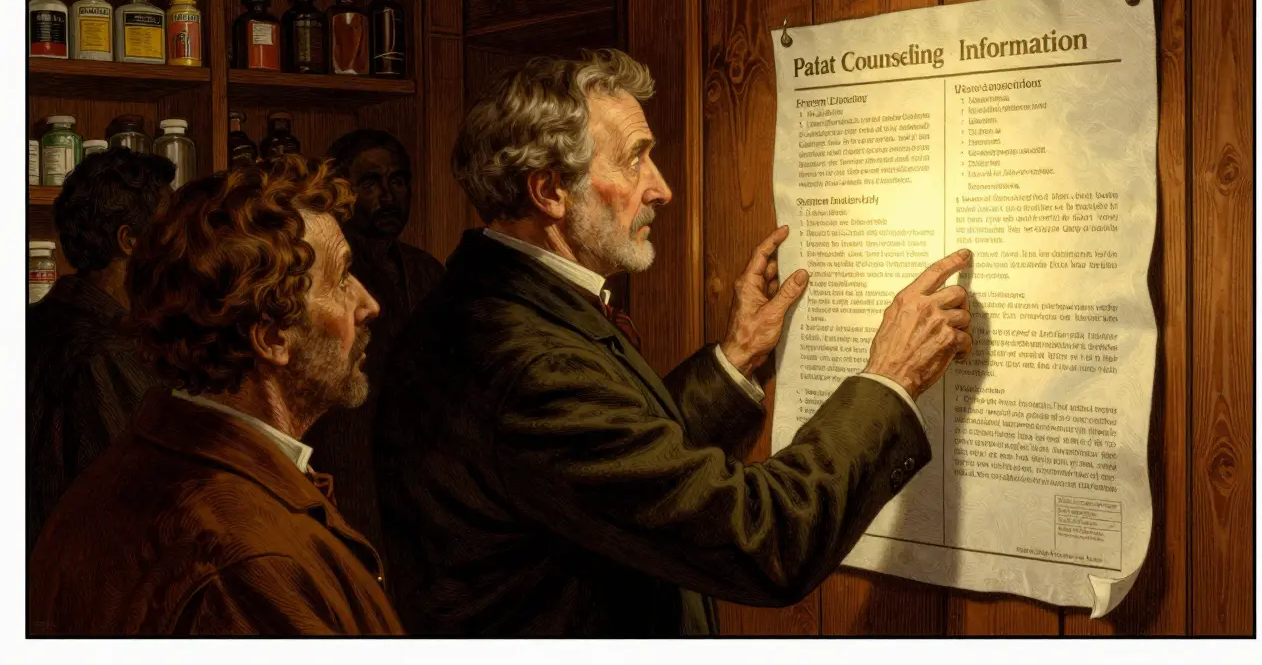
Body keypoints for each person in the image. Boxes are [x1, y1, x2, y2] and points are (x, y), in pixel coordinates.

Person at [374, 49, 973, 636]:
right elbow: (763, 540)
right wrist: (889, 378)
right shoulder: (522, 359)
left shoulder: (493, 303)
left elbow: (621, 472)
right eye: (635, 160)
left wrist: (737, 356)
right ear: (550, 191)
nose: (661, 189)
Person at [29, 156, 402, 635]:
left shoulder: (165, 460)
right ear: (271, 339)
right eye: (342, 279)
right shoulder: (242, 564)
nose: (369, 305)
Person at [303, 130, 445, 555]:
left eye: (398, 181)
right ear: (342, 192)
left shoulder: (426, 270)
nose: (388, 196)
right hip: (346, 455)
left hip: (419, 467)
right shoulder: (324, 274)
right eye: (370, 184)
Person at [26, 147, 173, 555]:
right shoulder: (112, 353)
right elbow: (143, 506)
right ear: (129, 241)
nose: (182, 246)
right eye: (170, 230)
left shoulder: (29, 325)